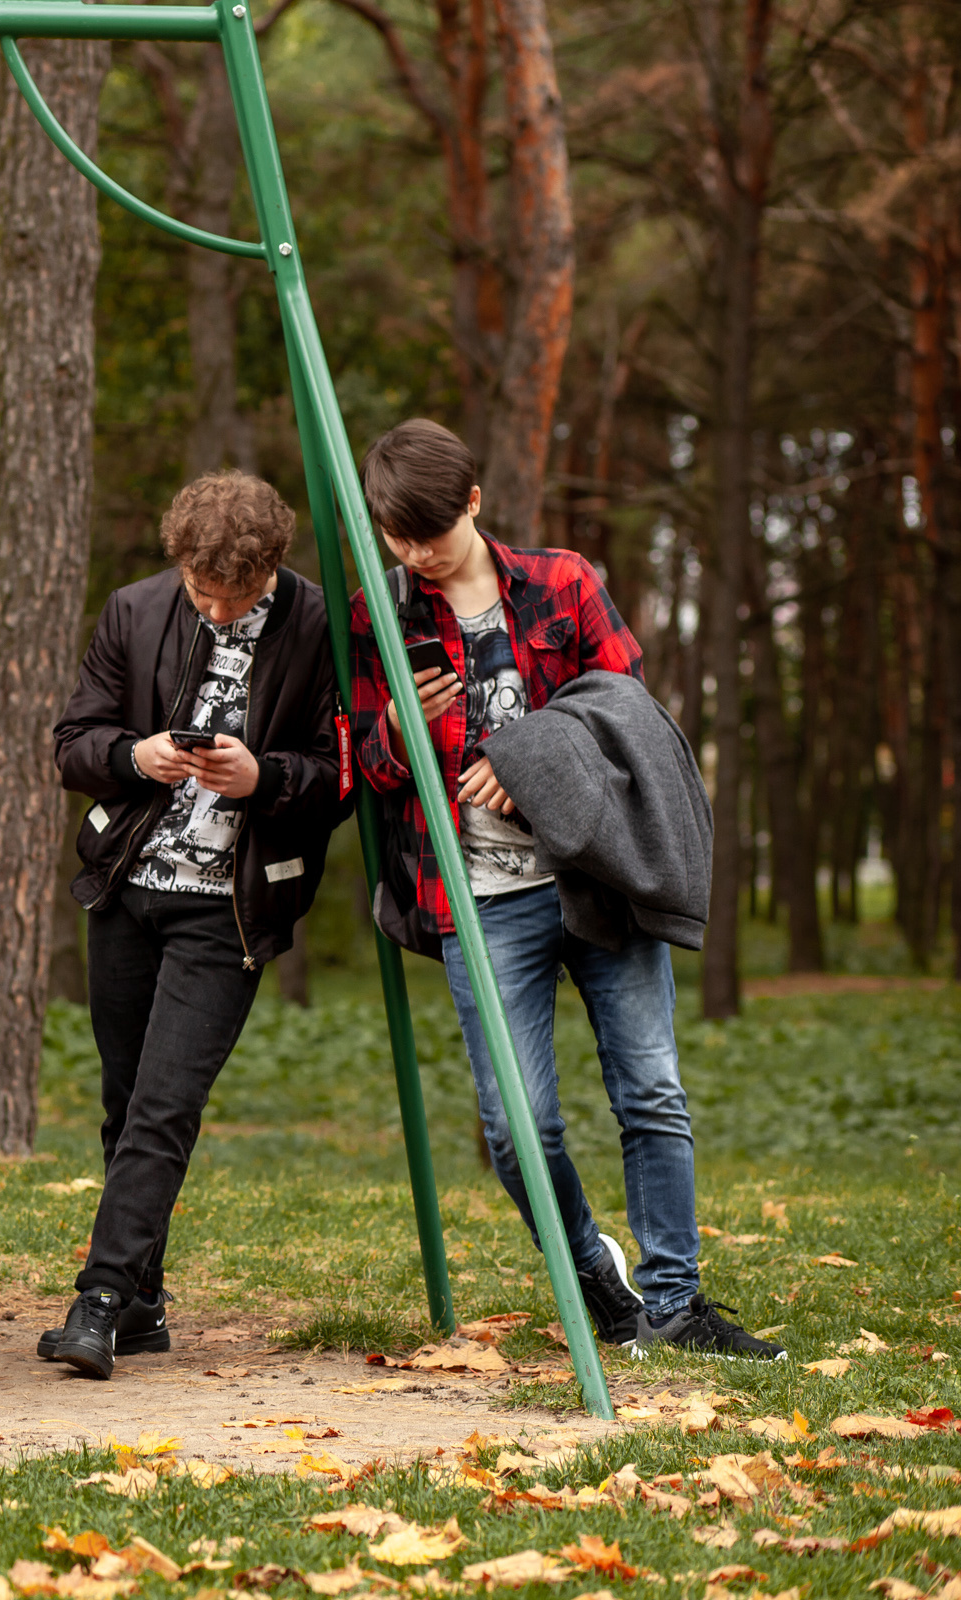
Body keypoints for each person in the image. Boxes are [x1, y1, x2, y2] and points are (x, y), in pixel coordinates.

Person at [348, 417, 784, 1360]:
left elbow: (632, 714)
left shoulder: (563, 581)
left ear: (474, 502)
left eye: (433, 530)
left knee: (651, 1091)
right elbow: (361, 772)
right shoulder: (379, 613)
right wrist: (402, 738)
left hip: (597, 877)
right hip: (477, 897)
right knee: (514, 1128)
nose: (418, 553)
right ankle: (598, 1275)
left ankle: (676, 1305)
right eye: (397, 536)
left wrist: (532, 759)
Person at [47, 471, 354, 1379]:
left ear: (271, 571)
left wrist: (268, 779)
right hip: (127, 886)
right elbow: (73, 742)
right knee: (123, 1101)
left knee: (164, 1107)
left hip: (232, 905)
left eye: (236, 597)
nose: (215, 610)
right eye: (199, 593)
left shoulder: (319, 625)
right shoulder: (135, 611)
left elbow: (346, 775)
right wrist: (133, 756)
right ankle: (143, 1304)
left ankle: (98, 1302)